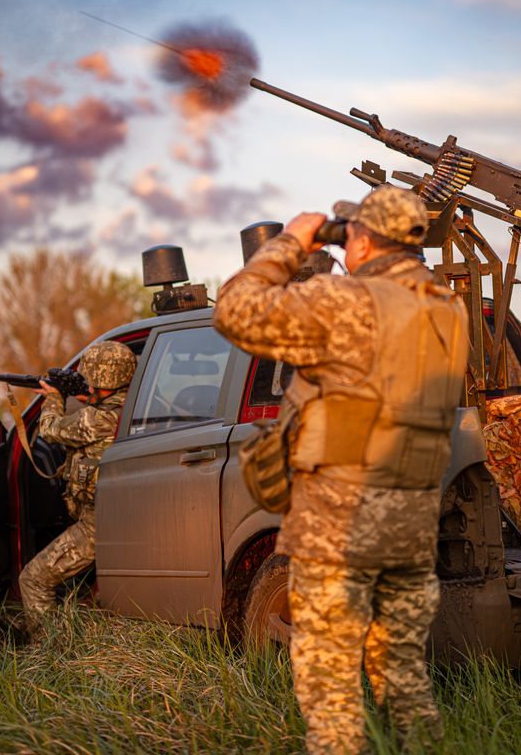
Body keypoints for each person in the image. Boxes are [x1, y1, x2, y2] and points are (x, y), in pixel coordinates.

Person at [213, 185, 468, 754]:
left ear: (361, 238)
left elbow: (233, 311)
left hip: (340, 521)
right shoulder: (445, 309)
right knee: (404, 677)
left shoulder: (344, 300)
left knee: (331, 693)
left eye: (349, 233)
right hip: (411, 521)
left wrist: (290, 242)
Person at [17, 340, 137, 625]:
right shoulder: (132, 407)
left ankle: (47, 650)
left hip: (99, 525)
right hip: (124, 517)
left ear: (97, 376)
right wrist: (90, 399)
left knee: (33, 579)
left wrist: (54, 398)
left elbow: (49, 429)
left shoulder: (98, 419)